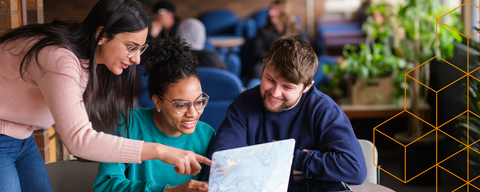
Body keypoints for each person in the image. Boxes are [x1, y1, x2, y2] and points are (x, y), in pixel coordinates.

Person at [0, 0, 209, 191]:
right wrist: (161, 151)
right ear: (102, 35)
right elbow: (79, 142)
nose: (136, 59)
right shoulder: (60, 59)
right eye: (130, 47)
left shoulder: (82, 57)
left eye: (140, 48)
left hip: (22, 138)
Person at [207, 35, 367, 185]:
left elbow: (355, 169)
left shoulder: (324, 110)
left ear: (307, 87)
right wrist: (303, 166)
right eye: (270, 79)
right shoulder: (245, 104)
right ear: (263, 67)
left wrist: (295, 158)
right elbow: (219, 167)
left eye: (287, 87)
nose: (275, 93)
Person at [94, 36, 213, 192]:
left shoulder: (206, 135)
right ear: (157, 102)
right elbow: (105, 185)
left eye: (199, 102)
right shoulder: (129, 124)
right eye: (181, 105)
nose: (193, 113)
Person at [251, 0, 310, 79]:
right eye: (271, 9)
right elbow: (257, 51)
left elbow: (307, 49)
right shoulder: (264, 31)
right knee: (257, 69)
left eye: (275, 10)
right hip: (271, 64)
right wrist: (275, 60)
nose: (270, 13)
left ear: (284, 12)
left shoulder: (297, 30)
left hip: (293, 65)